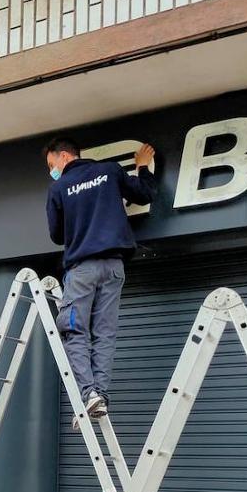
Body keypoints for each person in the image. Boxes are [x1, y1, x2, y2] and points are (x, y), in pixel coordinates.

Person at [44, 137, 157, 419]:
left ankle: (89, 394)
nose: (51, 170)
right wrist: (142, 167)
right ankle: (100, 396)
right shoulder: (109, 170)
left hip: (82, 269)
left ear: (65, 156)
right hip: (114, 266)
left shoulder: (58, 188)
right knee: (105, 333)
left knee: (75, 331)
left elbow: (57, 235)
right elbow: (144, 193)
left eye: (51, 164)